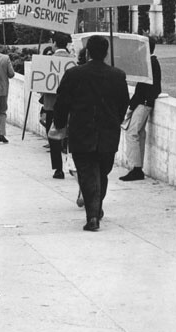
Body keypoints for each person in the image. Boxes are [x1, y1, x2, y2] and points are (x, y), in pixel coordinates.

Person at [54, 35, 130, 231]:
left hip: (82, 133)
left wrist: (59, 124)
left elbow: (62, 103)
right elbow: (124, 104)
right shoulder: (118, 75)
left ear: (87, 52)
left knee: (88, 175)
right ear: (106, 53)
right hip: (108, 135)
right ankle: (96, 209)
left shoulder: (74, 74)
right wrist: (116, 121)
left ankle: (93, 216)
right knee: (101, 174)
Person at [120, 37, 162, 181]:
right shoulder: (152, 62)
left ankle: (136, 168)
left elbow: (144, 88)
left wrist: (132, 105)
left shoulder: (149, 63)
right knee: (138, 133)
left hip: (143, 102)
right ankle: (137, 168)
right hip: (145, 101)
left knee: (132, 133)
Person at [41, 32, 75, 179]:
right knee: (71, 137)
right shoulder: (73, 61)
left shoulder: (47, 61)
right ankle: (72, 165)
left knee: (53, 137)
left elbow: (41, 85)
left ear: (54, 43)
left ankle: (58, 169)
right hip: (72, 106)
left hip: (51, 106)